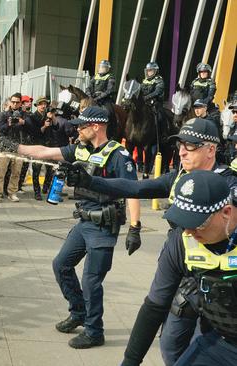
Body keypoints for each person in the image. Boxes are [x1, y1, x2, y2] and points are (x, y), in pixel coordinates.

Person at [67, 118, 234, 365]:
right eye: (179, 145)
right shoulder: (179, 181)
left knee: (210, 341)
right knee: (170, 346)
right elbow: (135, 187)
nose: (182, 151)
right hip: (184, 268)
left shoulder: (231, 184)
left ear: (211, 149)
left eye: (191, 145)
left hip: (224, 280)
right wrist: (89, 181)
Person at [16, 106, 141, 348]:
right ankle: (78, 312)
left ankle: (95, 332)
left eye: (81, 126)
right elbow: (45, 152)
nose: (77, 130)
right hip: (84, 222)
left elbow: (133, 192)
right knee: (61, 265)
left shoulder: (118, 155)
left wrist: (135, 227)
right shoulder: (80, 149)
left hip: (104, 226)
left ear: (96, 127)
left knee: (91, 281)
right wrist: (15, 148)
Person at [118, 170, 237, 366]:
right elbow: (155, 306)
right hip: (220, 342)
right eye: (184, 221)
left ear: (226, 213)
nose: (190, 231)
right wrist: (129, 362)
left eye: (198, 223)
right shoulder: (182, 242)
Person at [0, 93, 26, 203]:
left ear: (20, 103)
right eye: (13, 102)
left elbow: (30, 128)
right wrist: (9, 124)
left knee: (16, 172)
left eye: (17, 102)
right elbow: (1, 129)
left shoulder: (24, 114)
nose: (15, 104)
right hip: (5, 146)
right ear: (10, 102)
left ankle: (12, 192)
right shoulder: (3, 114)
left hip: (18, 147)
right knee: (0, 171)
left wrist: (23, 122)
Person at [29, 96, 53, 200]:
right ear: (37, 105)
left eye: (45, 104)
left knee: (50, 168)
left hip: (48, 146)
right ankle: (37, 192)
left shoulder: (49, 116)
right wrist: (44, 126)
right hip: (37, 146)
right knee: (36, 170)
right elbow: (35, 133)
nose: (43, 106)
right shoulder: (33, 117)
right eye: (41, 104)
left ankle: (46, 187)